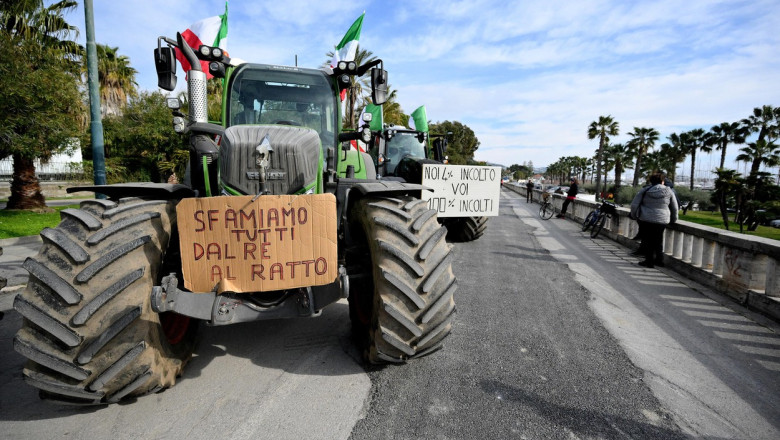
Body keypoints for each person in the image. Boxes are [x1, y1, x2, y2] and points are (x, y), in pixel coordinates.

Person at [630, 172, 678, 268]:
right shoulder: (669, 191)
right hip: (662, 219)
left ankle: (649, 261)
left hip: (646, 218)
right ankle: (659, 260)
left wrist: (634, 215)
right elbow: (674, 207)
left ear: (651, 181)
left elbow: (634, 204)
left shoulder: (645, 190)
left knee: (647, 240)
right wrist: (673, 220)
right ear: (662, 181)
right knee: (658, 240)